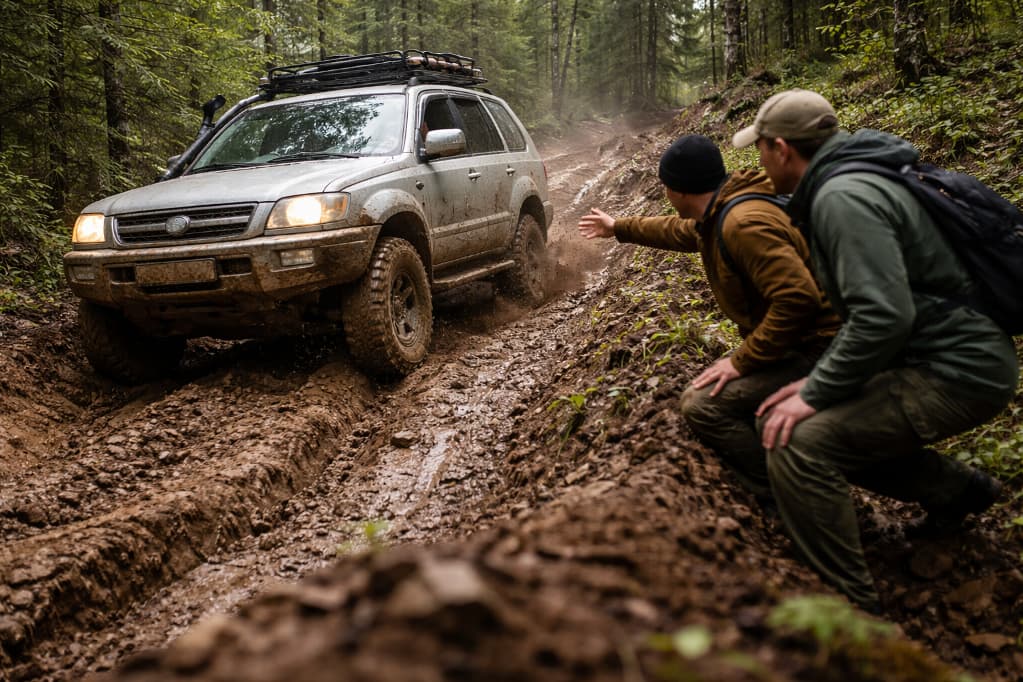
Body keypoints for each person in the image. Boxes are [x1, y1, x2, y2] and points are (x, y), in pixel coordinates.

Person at [734, 89, 1017, 613]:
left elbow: (884, 316)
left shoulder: (843, 199)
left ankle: (847, 612)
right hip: (935, 356)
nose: (760, 161)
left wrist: (816, 392)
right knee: (789, 416)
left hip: (957, 370)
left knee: (796, 439)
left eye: (759, 150)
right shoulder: (854, 178)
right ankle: (957, 493)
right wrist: (817, 386)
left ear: (779, 148)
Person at [578, 134, 841, 501]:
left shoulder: (741, 224)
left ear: (681, 191)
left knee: (702, 406)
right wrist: (618, 226)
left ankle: (782, 490)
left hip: (818, 347)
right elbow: (679, 230)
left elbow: (798, 301)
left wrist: (740, 361)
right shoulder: (723, 210)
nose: (666, 194)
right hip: (801, 341)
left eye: (666, 186)